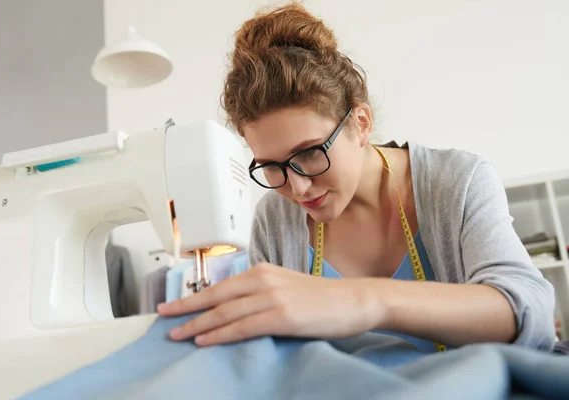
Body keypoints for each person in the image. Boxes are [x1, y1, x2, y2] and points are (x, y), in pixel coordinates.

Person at [158, 3, 556, 353]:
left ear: (360, 123)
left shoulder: (456, 181)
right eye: (271, 167)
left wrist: (366, 300)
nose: (295, 188)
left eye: (310, 153)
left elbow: (531, 315)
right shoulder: (275, 220)